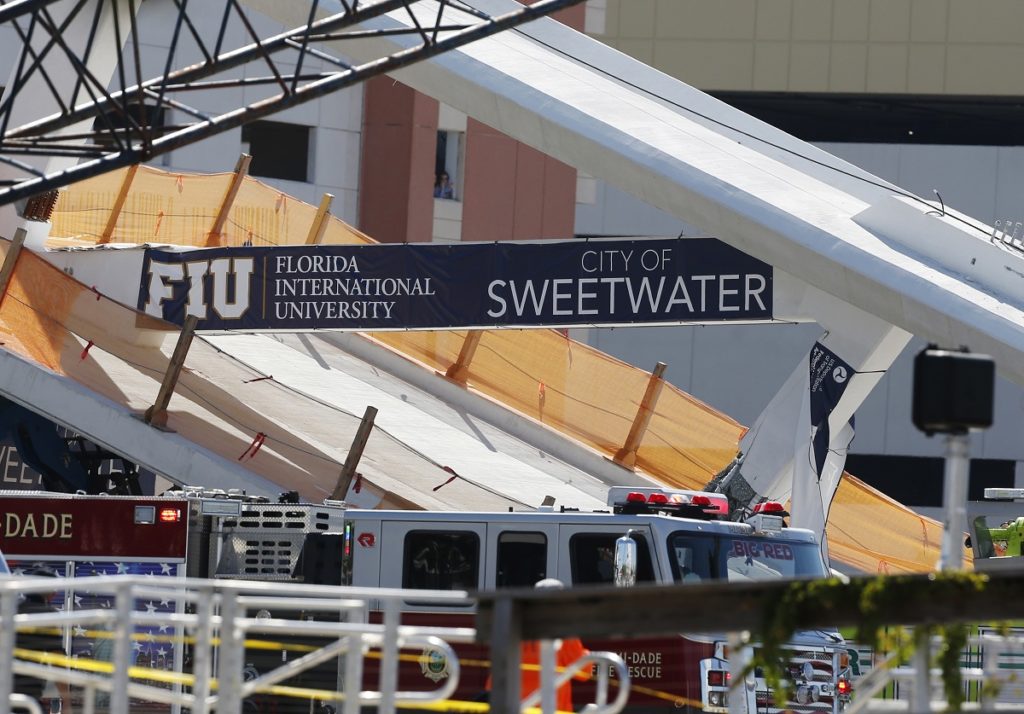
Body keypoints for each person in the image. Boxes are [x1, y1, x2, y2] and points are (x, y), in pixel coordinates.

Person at [486, 578, 589, 712]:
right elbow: (584, 673)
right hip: (551, 709)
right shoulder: (564, 632)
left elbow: (494, 679)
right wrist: (586, 654)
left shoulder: (514, 627)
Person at [14, 567, 72, 714]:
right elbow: (57, 660)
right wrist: (66, 701)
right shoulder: (46, 615)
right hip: (26, 694)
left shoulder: (9, 608)